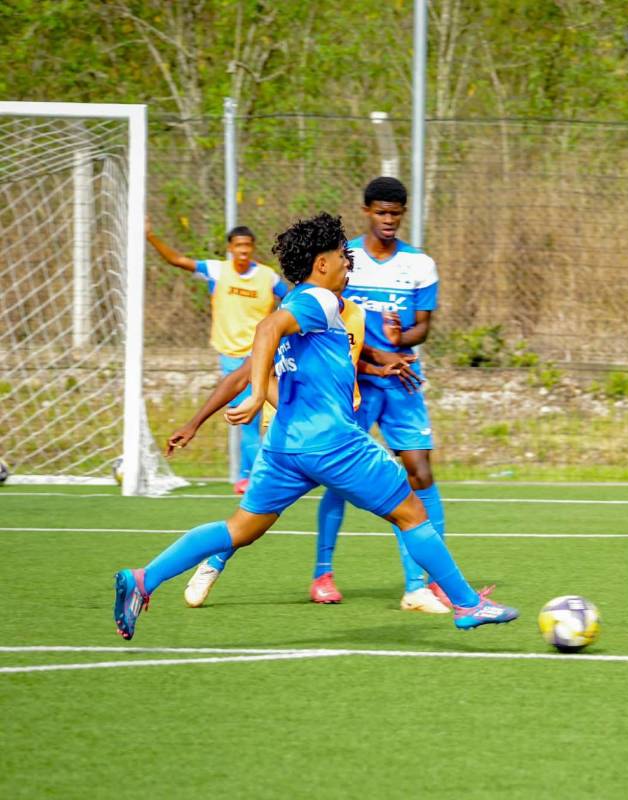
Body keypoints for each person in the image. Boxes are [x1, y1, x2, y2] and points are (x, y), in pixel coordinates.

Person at [113, 212, 518, 640]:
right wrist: (253, 395)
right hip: (333, 444)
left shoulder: (297, 305)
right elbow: (266, 328)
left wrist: (265, 396)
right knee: (412, 512)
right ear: (321, 263)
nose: (349, 263)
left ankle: (143, 579)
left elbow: (283, 362)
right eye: (343, 256)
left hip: (286, 447)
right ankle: (469, 605)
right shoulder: (319, 301)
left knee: (240, 529)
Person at [165, 278, 422, 607]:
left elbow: (349, 355)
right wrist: (194, 422)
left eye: (348, 264)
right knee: (255, 517)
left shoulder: (351, 313)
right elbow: (244, 374)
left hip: (337, 427)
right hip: (289, 430)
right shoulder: (297, 310)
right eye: (341, 260)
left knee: (375, 497)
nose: (345, 271)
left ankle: (384, 583)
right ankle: (215, 560)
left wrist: (378, 367)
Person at [335, 176, 450, 614]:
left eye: (395, 214)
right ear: (366, 211)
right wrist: (381, 354)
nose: (388, 220)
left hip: (402, 380)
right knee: (336, 479)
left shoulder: (420, 264)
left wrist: (405, 336)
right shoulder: (345, 259)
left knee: (421, 472)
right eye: (381, 213)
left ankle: (425, 582)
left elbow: (424, 326)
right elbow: (337, 323)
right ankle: (322, 572)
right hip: (357, 380)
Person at [146, 219, 288, 494]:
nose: (243, 251)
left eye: (247, 246)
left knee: (252, 418)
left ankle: (253, 477)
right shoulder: (217, 271)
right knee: (246, 418)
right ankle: (253, 477)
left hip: (259, 356)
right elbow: (177, 260)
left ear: (253, 248)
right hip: (231, 357)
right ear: (230, 248)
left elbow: (291, 299)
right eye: (238, 246)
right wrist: (151, 236)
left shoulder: (267, 277)